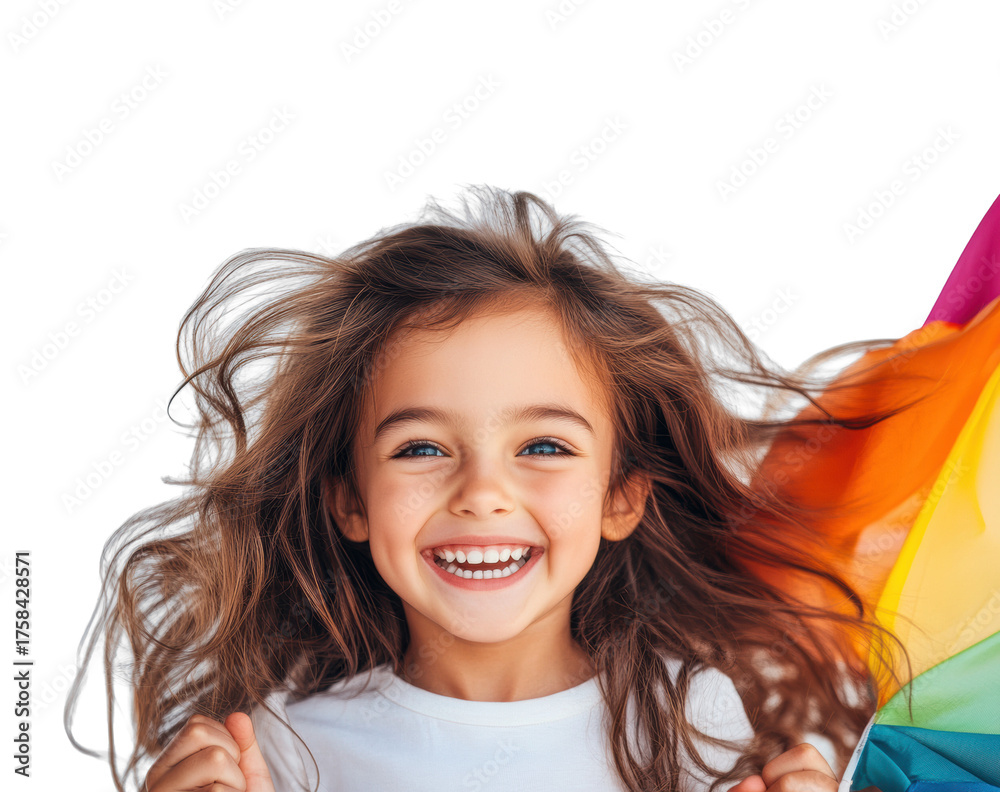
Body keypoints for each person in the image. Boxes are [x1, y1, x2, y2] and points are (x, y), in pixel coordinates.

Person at [69, 185, 916, 792]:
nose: (482, 492)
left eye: (543, 445)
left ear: (622, 495)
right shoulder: (288, 749)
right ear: (349, 500)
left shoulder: (697, 721)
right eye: (422, 448)